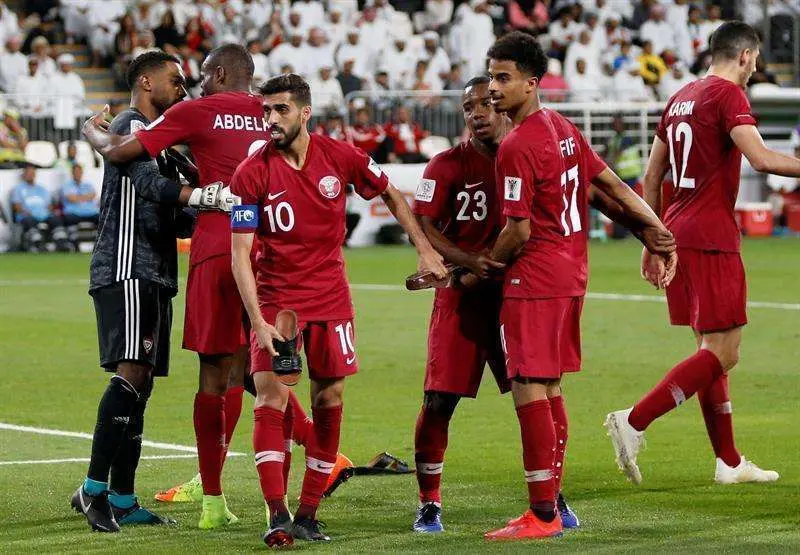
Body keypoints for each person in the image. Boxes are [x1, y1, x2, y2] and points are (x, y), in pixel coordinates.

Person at [227, 73, 446, 547]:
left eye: (280, 109)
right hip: (277, 304)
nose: (271, 119)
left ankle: (308, 513)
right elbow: (239, 253)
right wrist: (257, 320)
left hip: (330, 301)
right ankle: (276, 514)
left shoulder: (339, 156)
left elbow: (389, 191)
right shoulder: (251, 172)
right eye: (265, 111)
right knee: (271, 399)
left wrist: (424, 249)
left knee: (329, 402)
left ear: (305, 112)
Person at [482, 31, 676, 540]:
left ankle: (541, 512)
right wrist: (653, 231)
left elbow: (517, 229)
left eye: (503, 78)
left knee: (527, 386)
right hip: (571, 274)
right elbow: (609, 185)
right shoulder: (563, 128)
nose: (493, 88)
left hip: (535, 277)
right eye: (490, 77)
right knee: (549, 386)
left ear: (531, 82)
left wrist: (484, 264)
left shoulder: (517, 144)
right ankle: (556, 506)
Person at [604, 21, 800, 487]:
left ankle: (728, 461)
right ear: (747, 56)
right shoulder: (729, 95)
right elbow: (763, 159)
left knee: (708, 350)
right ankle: (634, 421)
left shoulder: (679, 99)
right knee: (725, 353)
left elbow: (651, 178)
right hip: (711, 235)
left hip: (675, 231)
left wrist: (653, 239)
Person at [82, 44, 269, 530]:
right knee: (129, 377)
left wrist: (205, 206)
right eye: (175, 79)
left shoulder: (163, 141)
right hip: (127, 263)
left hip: (155, 270)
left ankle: (123, 496)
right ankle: (94, 489)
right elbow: (148, 187)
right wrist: (210, 195)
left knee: (141, 385)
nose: (183, 87)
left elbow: (177, 212)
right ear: (147, 82)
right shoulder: (130, 125)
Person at [10, 163, 68, 251]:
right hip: (27, 215)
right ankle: (37, 244)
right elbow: (16, 206)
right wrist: (27, 213)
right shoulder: (18, 189)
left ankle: (61, 242)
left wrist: (49, 212)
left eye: (32, 173)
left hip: (43, 215)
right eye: (28, 173)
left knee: (56, 219)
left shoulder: (42, 189)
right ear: (24, 175)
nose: (30, 175)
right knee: (29, 221)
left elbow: (49, 206)